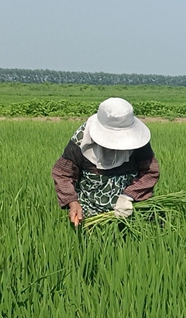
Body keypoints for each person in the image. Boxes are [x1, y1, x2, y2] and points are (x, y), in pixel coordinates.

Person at [51, 97, 160, 226]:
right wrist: (72, 202)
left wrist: (129, 195)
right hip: (89, 214)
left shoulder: (138, 139)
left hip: (129, 210)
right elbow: (62, 173)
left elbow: (150, 171)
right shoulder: (81, 140)